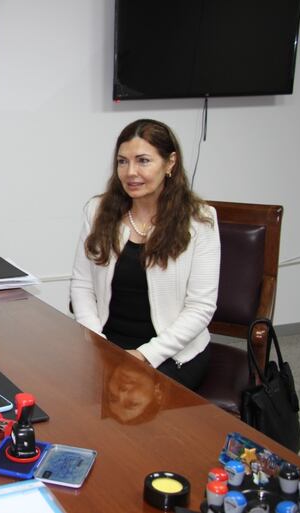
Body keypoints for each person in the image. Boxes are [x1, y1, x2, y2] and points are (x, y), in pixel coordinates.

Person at [70, 119, 220, 390]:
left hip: (173, 354)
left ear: (170, 163)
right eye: (122, 161)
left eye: (143, 161)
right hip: (107, 345)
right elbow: (82, 286)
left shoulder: (200, 220)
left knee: (129, 408)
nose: (130, 172)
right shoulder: (97, 211)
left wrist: (143, 355)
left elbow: (201, 308)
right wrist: (97, 343)